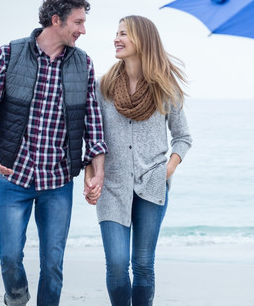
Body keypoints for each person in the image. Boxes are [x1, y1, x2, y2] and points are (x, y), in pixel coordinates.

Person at [0, 0, 107, 305]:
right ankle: (16, 297)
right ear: (55, 19)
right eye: (78, 22)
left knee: (53, 264)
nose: (83, 30)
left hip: (58, 181)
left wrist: (97, 171)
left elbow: (94, 124)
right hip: (13, 175)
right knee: (9, 255)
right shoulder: (9, 54)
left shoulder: (83, 64)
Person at [84, 15, 192, 306]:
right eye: (116, 33)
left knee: (143, 265)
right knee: (117, 265)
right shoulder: (102, 87)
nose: (116, 39)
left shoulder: (165, 87)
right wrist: (89, 174)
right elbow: (91, 136)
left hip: (153, 186)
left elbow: (183, 137)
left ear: (143, 40)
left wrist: (167, 170)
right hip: (113, 186)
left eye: (124, 34)